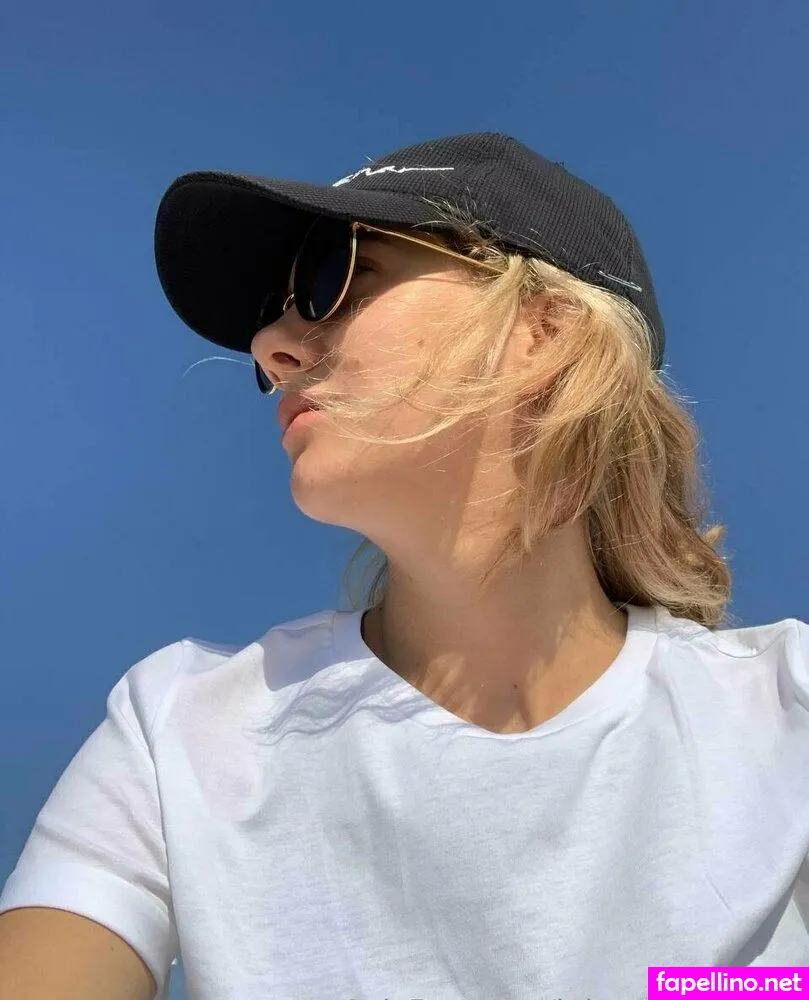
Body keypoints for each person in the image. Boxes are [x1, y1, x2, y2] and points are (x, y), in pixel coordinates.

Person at [1, 131, 807, 999]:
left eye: (334, 279)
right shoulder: (177, 733)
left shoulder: (784, 710)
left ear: (541, 330)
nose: (269, 344)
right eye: (278, 309)